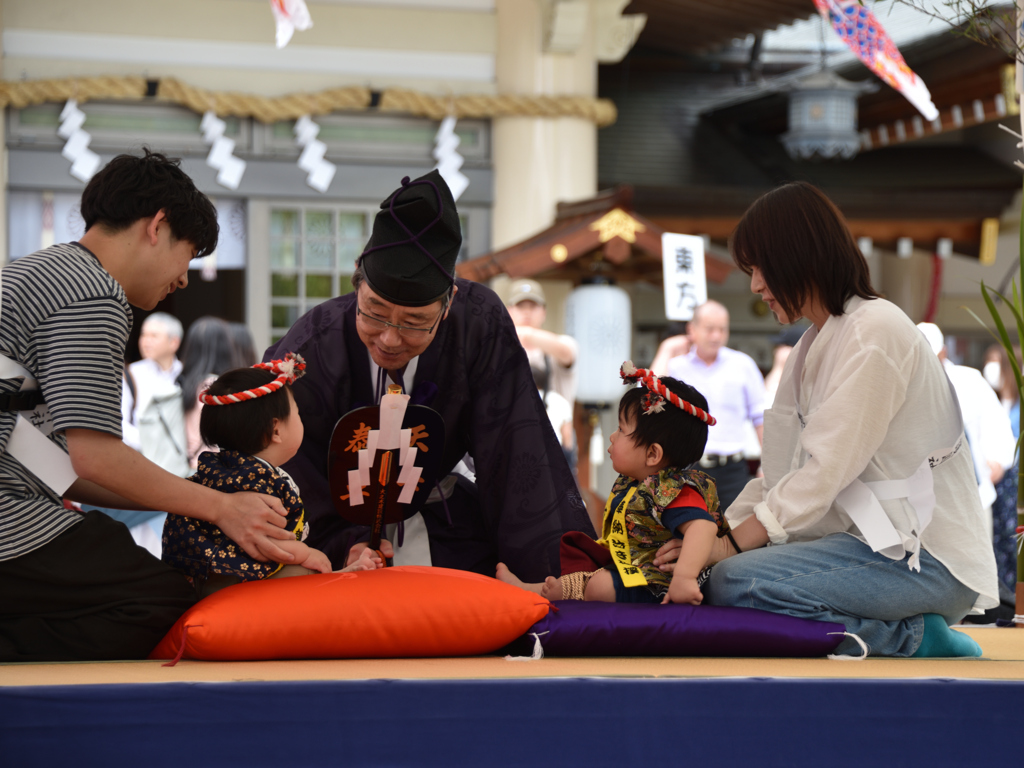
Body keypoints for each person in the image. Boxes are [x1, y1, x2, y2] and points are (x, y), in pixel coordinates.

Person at [656, 181, 998, 658]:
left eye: (760, 269)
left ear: (798, 256)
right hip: (867, 547)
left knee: (734, 581)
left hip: (925, 559)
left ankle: (916, 639)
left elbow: (822, 474)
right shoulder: (811, 346)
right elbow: (779, 477)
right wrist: (708, 537)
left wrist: (728, 547)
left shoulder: (874, 331)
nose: (755, 286)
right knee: (716, 575)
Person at [0, 150, 296, 662]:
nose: (183, 280)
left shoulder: (36, 272)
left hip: (23, 490)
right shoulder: (90, 292)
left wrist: (191, 495)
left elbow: (62, 468)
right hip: (11, 516)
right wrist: (222, 506)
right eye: (188, 255)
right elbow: (96, 457)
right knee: (160, 602)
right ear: (158, 226)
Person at [265, 171, 592, 581]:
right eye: (374, 312)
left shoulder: (478, 323)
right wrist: (342, 540)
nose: (389, 338)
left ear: (449, 300)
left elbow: (517, 455)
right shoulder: (313, 343)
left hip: (447, 524)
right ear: (357, 279)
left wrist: (551, 582)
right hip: (328, 535)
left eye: (415, 322)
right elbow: (283, 462)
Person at [498, 364, 733, 606]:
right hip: (632, 569)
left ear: (652, 454)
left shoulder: (674, 489)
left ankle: (545, 591)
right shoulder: (634, 482)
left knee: (599, 583)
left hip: (658, 585)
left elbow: (703, 528)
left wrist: (684, 577)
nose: (613, 436)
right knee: (586, 567)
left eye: (621, 429)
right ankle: (531, 590)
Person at [163, 354, 381, 597]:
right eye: (297, 414)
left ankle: (340, 575)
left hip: (208, 579)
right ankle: (340, 578)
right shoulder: (257, 481)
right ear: (276, 430)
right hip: (237, 583)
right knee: (306, 568)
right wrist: (308, 554)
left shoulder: (221, 469)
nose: (300, 420)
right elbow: (266, 542)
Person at [916, 322, 1014, 539]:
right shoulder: (910, 386)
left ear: (944, 352)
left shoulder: (970, 380)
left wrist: (998, 460)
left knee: (979, 564)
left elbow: (996, 423)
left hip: (977, 496)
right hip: (930, 503)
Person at [665, 300, 765, 510]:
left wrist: (768, 465)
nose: (716, 336)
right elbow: (648, 397)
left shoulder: (742, 364)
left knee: (738, 534)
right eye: (710, 329)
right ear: (692, 330)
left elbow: (761, 417)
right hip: (688, 468)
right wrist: (666, 349)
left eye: (722, 329)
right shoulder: (676, 367)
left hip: (734, 469)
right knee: (688, 536)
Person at [178, 316, 244, 470]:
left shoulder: (181, 382)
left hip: (183, 466)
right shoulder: (217, 388)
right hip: (213, 469)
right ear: (225, 347)